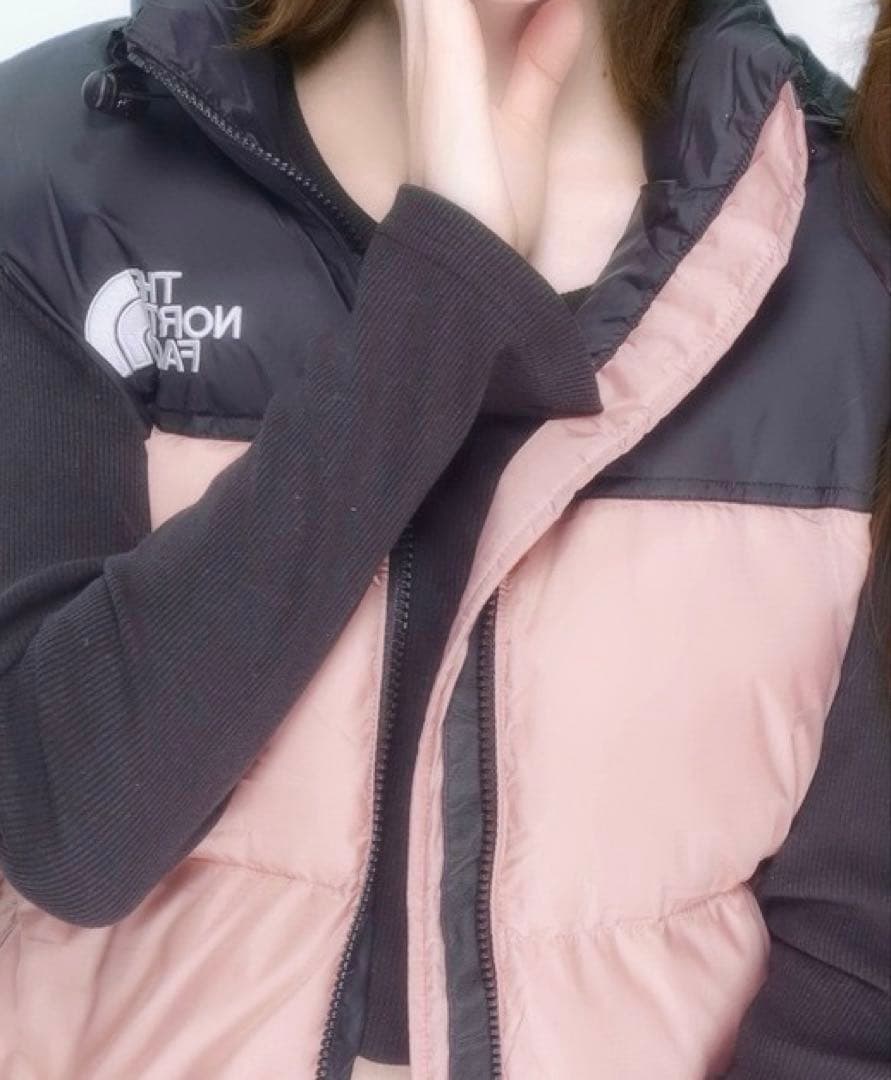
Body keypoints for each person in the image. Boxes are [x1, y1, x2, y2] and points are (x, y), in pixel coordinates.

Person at [0, 0, 888, 1075]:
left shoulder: (849, 241)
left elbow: (857, 969)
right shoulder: (63, 167)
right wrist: (437, 300)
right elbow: (70, 832)